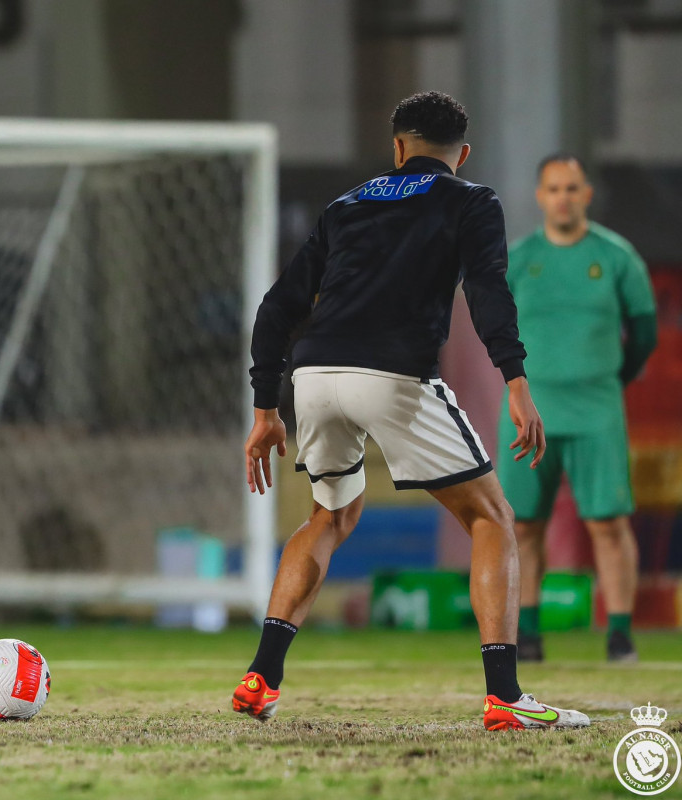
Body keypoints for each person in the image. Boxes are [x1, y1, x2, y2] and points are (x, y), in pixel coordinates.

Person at [233, 91, 589, 731]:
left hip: (313, 376)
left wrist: (265, 408)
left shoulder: (346, 205)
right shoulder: (472, 200)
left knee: (330, 516)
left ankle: (262, 675)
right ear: (463, 154)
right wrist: (515, 379)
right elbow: (486, 290)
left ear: (398, 148)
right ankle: (505, 695)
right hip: (392, 372)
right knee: (492, 517)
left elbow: (276, 307)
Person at [501, 155, 658, 664]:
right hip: (533, 410)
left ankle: (619, 635)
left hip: (597, 410)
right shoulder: (520, 260)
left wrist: (612, 377)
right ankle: (527, 633)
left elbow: (644, 331)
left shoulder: (617, 257)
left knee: (608, 523)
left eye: (572, 188)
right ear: (539, 196)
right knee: (523, 523)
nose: (563, 197)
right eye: (553, 189)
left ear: (587, 194)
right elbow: (497, 330)